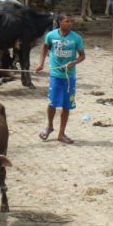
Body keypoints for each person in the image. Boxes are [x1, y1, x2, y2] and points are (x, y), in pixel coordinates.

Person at [36, 13, 85, 144]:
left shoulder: (76, 38)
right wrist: (40, 64)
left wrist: (73, 62)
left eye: (71, 21)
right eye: (67, 21)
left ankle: (61, 133)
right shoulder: (51, 36)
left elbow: (82, 56)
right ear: (59, 22)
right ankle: (49, 126)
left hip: (69, 78)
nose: (70, 23)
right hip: (55, 76)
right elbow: (44, 48)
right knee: (52, 103)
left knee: (66, 105)